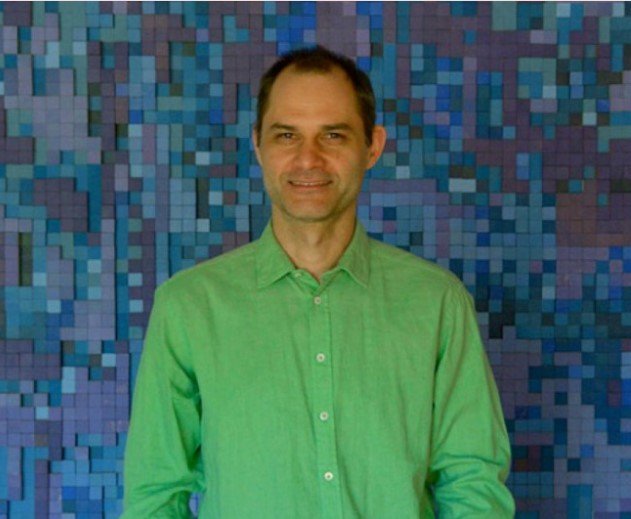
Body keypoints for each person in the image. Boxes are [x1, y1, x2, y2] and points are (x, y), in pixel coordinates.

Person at [123, 45, 515, 518]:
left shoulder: (437, 303)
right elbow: (155, 498)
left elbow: (473, 487)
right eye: (287, 135)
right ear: (258, 145)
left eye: (333, 135)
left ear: (372, 146)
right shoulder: (188, 307)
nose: (308, 159)